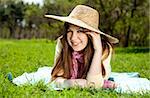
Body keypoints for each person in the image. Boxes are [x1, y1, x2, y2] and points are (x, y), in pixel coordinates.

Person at [11, 5, 150, 93]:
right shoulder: (63, 42)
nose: (73, 38)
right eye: (70, 31)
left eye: (80, 31)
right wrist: (71, 83)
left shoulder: (104, 48)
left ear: (91, 34)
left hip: (94, 74)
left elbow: (94, 84)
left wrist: (97, 50)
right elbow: (57, 77)